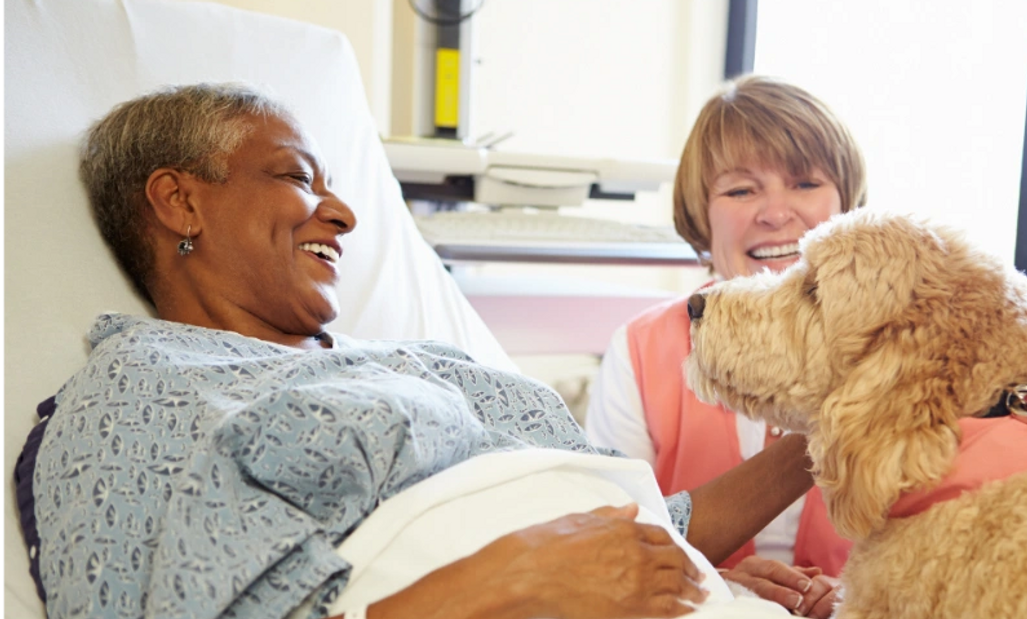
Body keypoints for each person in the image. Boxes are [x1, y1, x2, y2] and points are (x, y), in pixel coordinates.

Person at [16, 83, 836, 619]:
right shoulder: (136, 389)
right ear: (180, 200)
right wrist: (509, 582)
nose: (342, 214)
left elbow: (661, 521)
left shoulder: (418, 361)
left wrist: (848, 419)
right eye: (299, 177)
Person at [586, 74, 867, 617]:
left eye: (805, 183)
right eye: (741, 190)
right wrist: (722, 584)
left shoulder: (898, 344)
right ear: (700, 214)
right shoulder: (642, 350)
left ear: (847, 201)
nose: (776, 212)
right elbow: (612, 542)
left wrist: (860, 592)